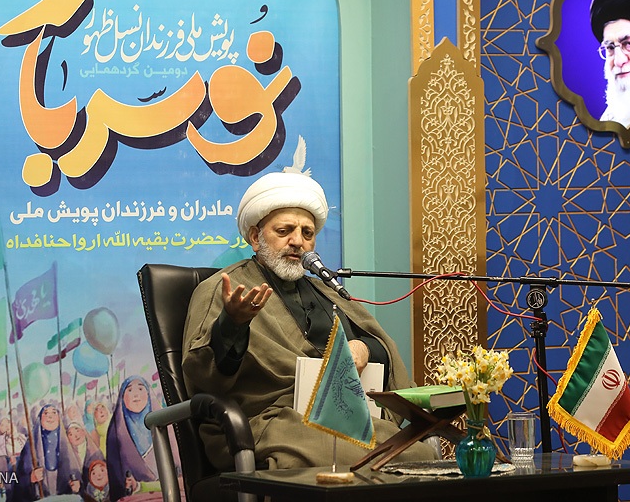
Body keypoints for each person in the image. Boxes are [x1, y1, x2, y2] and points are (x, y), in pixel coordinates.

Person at [182, 171, 439, 470]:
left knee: (421, 455)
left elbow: (380, 348)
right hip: (268, 421)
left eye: (307, 233)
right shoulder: (223, 288)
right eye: (284, 231)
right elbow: (204, 377)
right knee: (391, 459)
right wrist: (232, 324)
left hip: (341, 415)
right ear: (255, 237)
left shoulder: (326, 291)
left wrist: (363, 349)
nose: (297, 242)